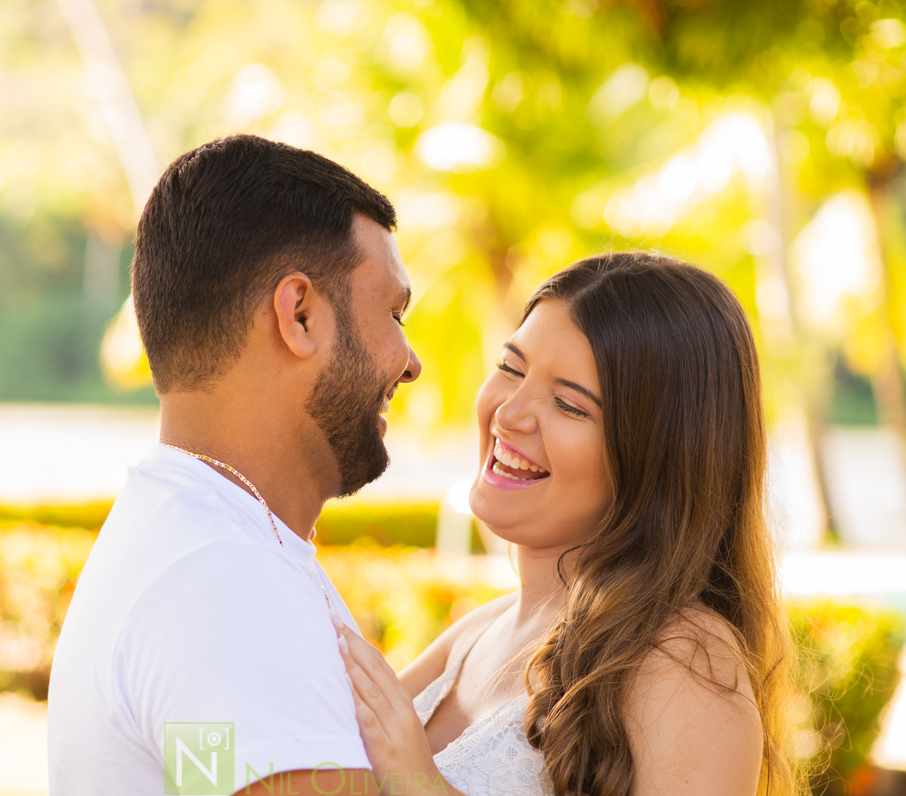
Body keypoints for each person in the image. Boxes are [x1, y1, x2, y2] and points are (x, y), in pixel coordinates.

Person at [335, 252, 794, 796]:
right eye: (511, 369)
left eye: (570, 405)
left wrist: (418, 784)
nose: (509, 413)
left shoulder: (685, 656)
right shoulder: (479, 633)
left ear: (657, 455)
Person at [47, 134, 421, 796]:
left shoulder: (194, 540)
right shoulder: (227, 578)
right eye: (393, 313)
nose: (411, 360)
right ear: (299, 313)